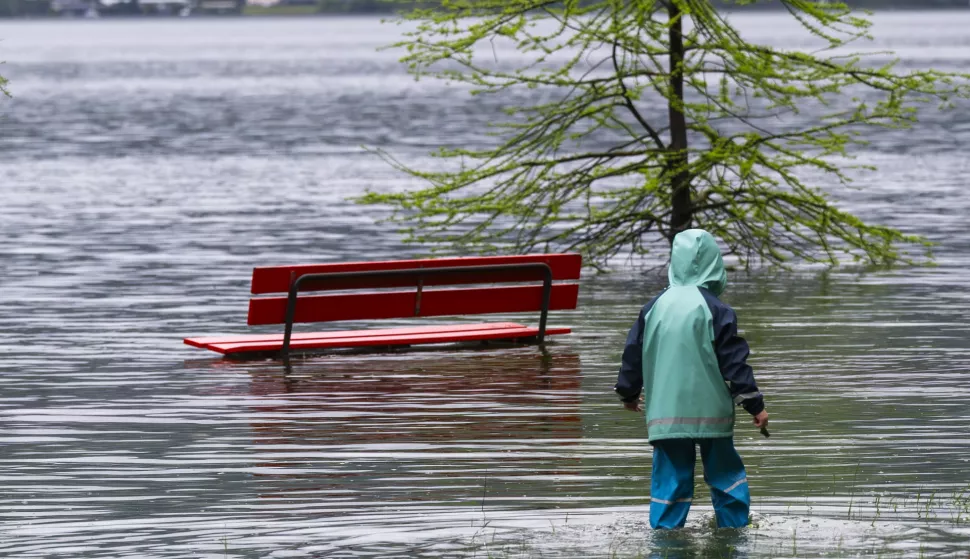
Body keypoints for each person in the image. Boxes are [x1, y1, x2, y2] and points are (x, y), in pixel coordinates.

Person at [614, 229, 769, 530]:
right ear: (714, 264)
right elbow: (734, 366)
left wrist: (628, 395)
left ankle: (666, 538)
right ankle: (734, 532)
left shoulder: (652, 308)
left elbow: (632, 356)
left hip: (666, 416)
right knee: (725, 475)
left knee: (670, 481)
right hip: (712, 414)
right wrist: (756, 406)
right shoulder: (717, 309)